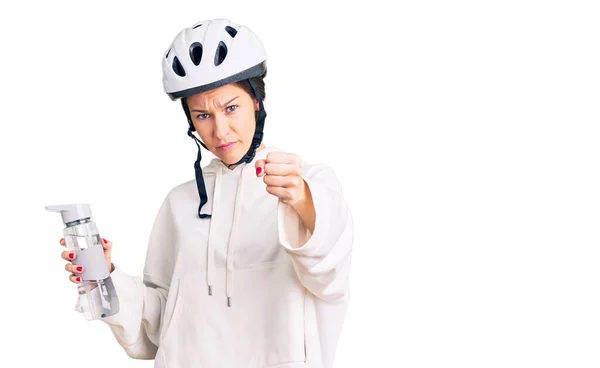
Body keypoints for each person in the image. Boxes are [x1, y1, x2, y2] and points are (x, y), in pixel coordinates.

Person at [59, 18, 353, 368]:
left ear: (256, 101)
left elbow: (329, 277)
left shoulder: (310, 182)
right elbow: (156, 329)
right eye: (202, 115)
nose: (220, 130)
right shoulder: (179, 203)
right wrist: (106, 275)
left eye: (231, 108)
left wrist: (301, 198)